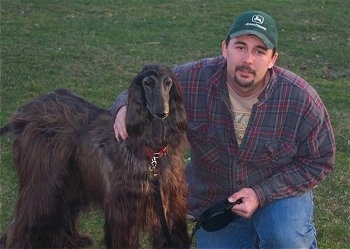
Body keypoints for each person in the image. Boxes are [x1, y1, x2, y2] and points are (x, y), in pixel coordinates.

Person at [111, 10, 336, 249]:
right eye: (240, 47)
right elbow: (143, 85)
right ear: (224, 49)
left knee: (285, 239)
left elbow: (321, 159)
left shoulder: (300, 98)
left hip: (279, 194)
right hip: (219, 198)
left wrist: (260, 194)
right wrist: (123, 107)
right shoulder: (192, 79)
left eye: (259, 51)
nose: (248, 59)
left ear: (273, 59)